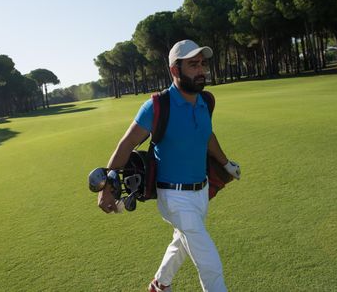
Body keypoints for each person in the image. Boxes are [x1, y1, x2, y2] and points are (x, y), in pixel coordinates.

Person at [97, 39, 241, 292]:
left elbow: (206, 135)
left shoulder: (205, 101)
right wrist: (105, 186)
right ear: (175, 70)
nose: (201, 70)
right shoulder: (157, 105)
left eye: (203, 64)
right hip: (173, 197)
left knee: (181, 241)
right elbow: (127, 143)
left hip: (201, 192)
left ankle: (160, 284)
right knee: (210, 263)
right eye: (193, 65)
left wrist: (225, 163)